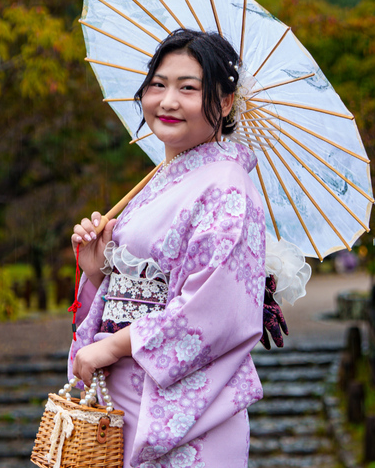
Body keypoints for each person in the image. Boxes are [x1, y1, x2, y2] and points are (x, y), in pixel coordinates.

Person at [68, 28, 268, 468]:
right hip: (124, 393)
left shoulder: (228, 189)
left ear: (226, 102)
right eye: (158, 85)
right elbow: (131, 292)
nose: (168, 101)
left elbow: (213, 309)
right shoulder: (161, 180)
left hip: (185, 411)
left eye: (188, 88)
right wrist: (98, 270)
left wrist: (115, 346)